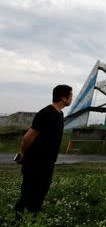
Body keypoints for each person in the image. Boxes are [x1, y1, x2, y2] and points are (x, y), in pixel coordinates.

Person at [14, 85, 73, 219]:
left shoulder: (60, 114)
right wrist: (23, 154)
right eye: (70, 96)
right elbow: (27, 137)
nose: (72, 99)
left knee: (41, 192)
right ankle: (18, 220)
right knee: (29, 193)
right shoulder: (46, 113)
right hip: (35, 162)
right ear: (63, 98)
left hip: (48, 162)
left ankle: (33, 218)